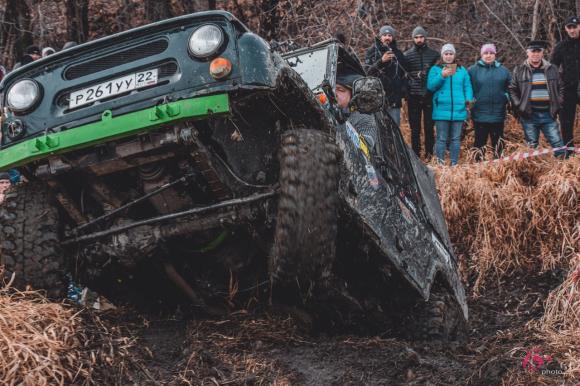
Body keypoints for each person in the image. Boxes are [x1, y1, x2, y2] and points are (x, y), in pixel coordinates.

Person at [509, 41, 565, 156]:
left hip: (549, 114)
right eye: (533, 51)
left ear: (542, 53)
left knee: (558, 144)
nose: (535, 54)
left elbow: (561, 87)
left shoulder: (552, 69)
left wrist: (559, 101)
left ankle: (563, 171)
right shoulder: (519, 69)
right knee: (531, 146)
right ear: (527, 53)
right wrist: (519, 105)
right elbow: (512, 89)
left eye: (538, 51)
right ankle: (534, 172)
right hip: (529, 115)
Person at [427, 43, 473, 166]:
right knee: (441, 139)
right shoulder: (435, 69)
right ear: (442, 55)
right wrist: (442, 76)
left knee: (455, 139)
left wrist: (468, 98)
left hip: (459, 109)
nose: (448, 56)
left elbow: (467, 86)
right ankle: (440, 163)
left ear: (454, 55)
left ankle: (454, 163)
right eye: (446, 54)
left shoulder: (461, 70)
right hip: (441, 109)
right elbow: (430, 86)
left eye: (451, 54)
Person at [468, 43, 511, 160]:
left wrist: (506, 97)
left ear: (495, 55)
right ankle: (478, 167)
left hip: (498, 113)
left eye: (491, 53)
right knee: (479, 142)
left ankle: (499, 168)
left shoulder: (503, 71)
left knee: (498, 143)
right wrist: (471, 101)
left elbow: (511, 88)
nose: (488, 55)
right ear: (481, 55)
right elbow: (466, 87)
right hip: (479, 113)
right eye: (486, 53)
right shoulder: (472, 70)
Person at [404, 26, 439, 159]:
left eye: (421, 37)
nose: (419, 39)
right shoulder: (407, 55)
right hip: (413, 96)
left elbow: (439, 72)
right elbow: (404, 75)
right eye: (416, 37)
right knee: (415, 128)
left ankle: (429, 154)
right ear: (413, 39)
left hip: (429, 95)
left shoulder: (434, 55)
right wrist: (416, 75)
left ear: (425, 38)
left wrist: (428, 74)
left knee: (429, 127)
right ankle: (416, 155)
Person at [364, 25, 408, 126]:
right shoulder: (372, 52)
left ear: (393, 37)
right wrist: (381, 61)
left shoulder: (399, 54)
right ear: (380, 37)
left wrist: (402, 90)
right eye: (384, 35)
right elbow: (367, 72)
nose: (387, 37)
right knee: (378, 129)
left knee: (395, 129)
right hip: (376, 100)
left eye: (389, 35)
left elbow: (404, 74)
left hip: (394, 101)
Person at [551, 15, 580, 149]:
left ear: (579, 27)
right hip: (568, 88)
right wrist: (558, 85)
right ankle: (569, 151)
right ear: (566, 29)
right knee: (566, 122)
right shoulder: (560, 47)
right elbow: (552, 68)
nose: (573, 30)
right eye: (570, 27)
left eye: (575, 27)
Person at [335, 73, 379, 152]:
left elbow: (364, 151)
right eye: (333, 88)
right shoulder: (329, 108)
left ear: (353, 96)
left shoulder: (366, 118)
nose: (334, 93)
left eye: (340, 90)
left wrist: (342, 124)